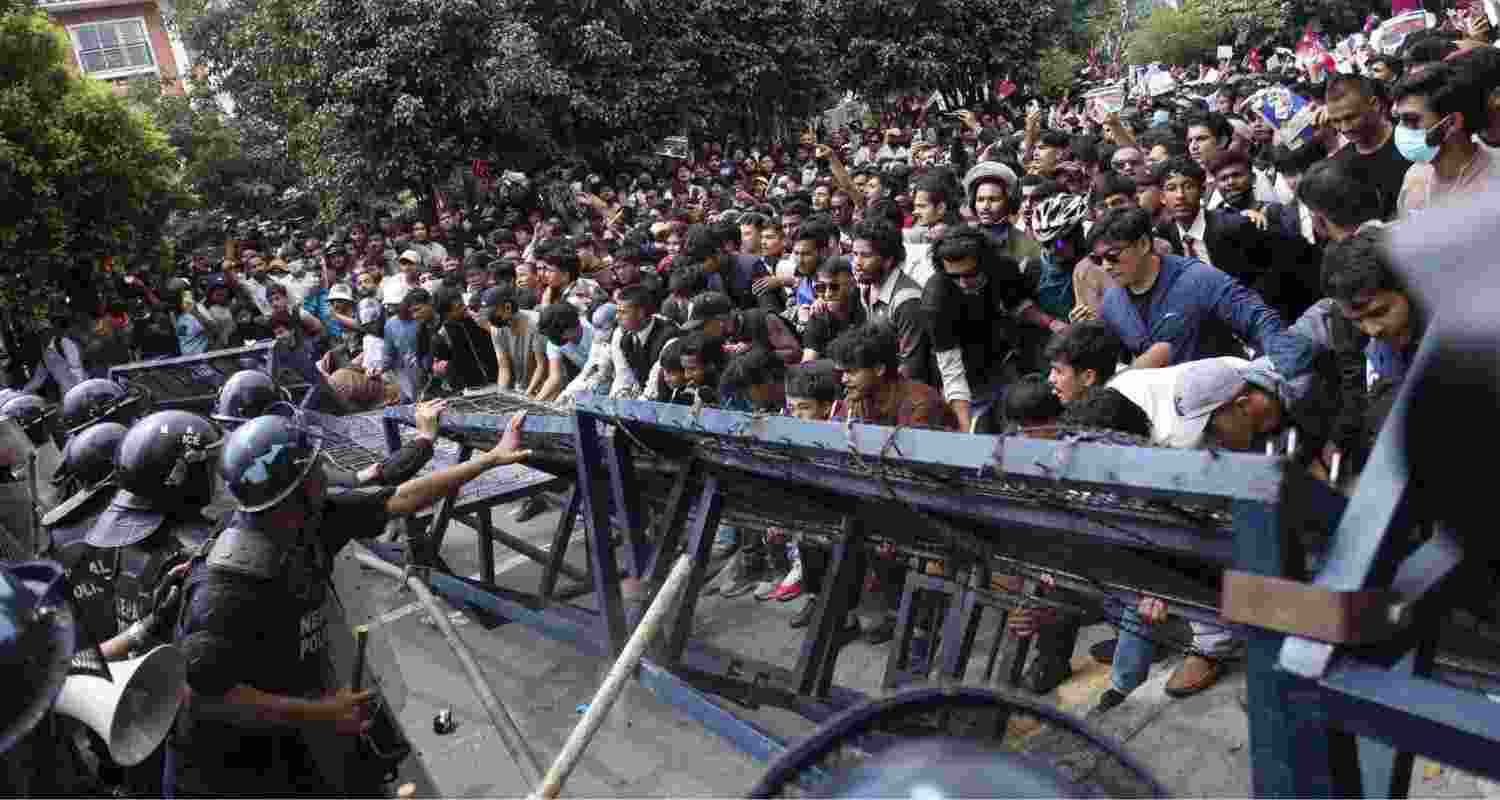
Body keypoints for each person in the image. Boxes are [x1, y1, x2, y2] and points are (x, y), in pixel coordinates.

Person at [166, 403, 532, 797]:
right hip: (228, 776)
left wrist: (491, 459)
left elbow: (403, 498)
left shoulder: (310, 519)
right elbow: (205, 697)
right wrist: (323, 712)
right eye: (314, 471)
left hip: (292, 734)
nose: (324, 475)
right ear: (299, 489)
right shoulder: (226, 585)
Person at [1103, 357, 1292, 702]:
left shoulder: (1272, 400)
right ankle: (1197, 644)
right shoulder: (1186, 413)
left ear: (1242, 406)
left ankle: (1216, 643)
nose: (1212, 437)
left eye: (1214, 427)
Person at [1091, 207, 1284, 369]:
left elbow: (1263, 322)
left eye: (1112, 256)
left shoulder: (1199, 279)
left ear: (1143, 244)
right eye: (1097, 259)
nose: (1105, 266)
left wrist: (1262, 377)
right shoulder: (1111, 303)